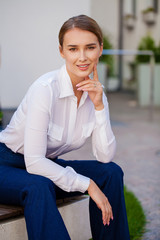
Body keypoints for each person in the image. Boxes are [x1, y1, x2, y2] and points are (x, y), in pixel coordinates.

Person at [0, 15, 130, 240]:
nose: (82, 57)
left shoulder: (96, 94)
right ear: (62, 52)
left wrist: (99, 106)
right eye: (73, 49)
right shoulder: (45, 89)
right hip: (6, 164)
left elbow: (105, 156)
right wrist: (88, 184)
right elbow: (34, 162)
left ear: (100, 49)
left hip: (44, 165)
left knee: (111, 172)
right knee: (38, 186)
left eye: (90, 47)